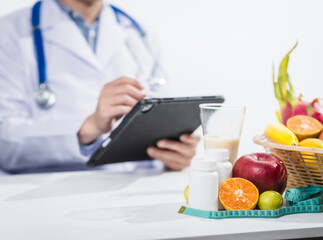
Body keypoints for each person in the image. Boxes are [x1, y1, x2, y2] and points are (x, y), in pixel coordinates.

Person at [0, 0, 200, 173]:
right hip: (48, 199)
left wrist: (174, 153)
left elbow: (160, 122)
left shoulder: (139, 33)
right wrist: (88, 128)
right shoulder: (9, 33)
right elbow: (5, 146)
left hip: (133, 197)